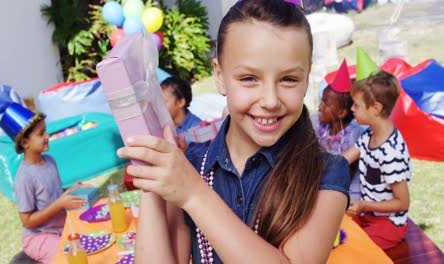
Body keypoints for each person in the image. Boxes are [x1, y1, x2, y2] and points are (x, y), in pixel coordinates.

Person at [118, 1, 350, 263]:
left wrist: (195, 195)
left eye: (289, 79)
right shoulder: (192, 167)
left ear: (307, 78)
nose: (271, 100)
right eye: (249, 78)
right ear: (219, 76)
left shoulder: (325, 172)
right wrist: (152, 176)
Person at [0, 103, 87, 264]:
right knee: (71, 259)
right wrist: (60, 204)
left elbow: (53, 194)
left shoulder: (49, 161)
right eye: (41, 134)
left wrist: (72, 190)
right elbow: (27, 221)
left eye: (45, 131)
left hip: (60, 229)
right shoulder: (24, 178)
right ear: (25, 143)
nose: (47, 136)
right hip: (38, 237)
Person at [342, 70, 411, 250]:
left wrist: (364, 205)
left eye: (356, 105)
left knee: (352, 250)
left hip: (389, 223)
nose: (351, 109)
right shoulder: (369, 136)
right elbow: (342, 160)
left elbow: (402, 202)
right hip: (368, 214)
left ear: (376, 109)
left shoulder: (391, 153)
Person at [311, 59, 364, 199]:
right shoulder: (316, 121)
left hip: (346, 186)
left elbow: (348, 171)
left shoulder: (354, 135)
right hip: (319, 177)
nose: (320, 107)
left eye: (325, 104)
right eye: (321, 101)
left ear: (341, 113)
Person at [161, 76, 202, 144]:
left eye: (163, 102)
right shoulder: (162, 124)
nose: (159, 107)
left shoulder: (200, 130)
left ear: (180, 102)